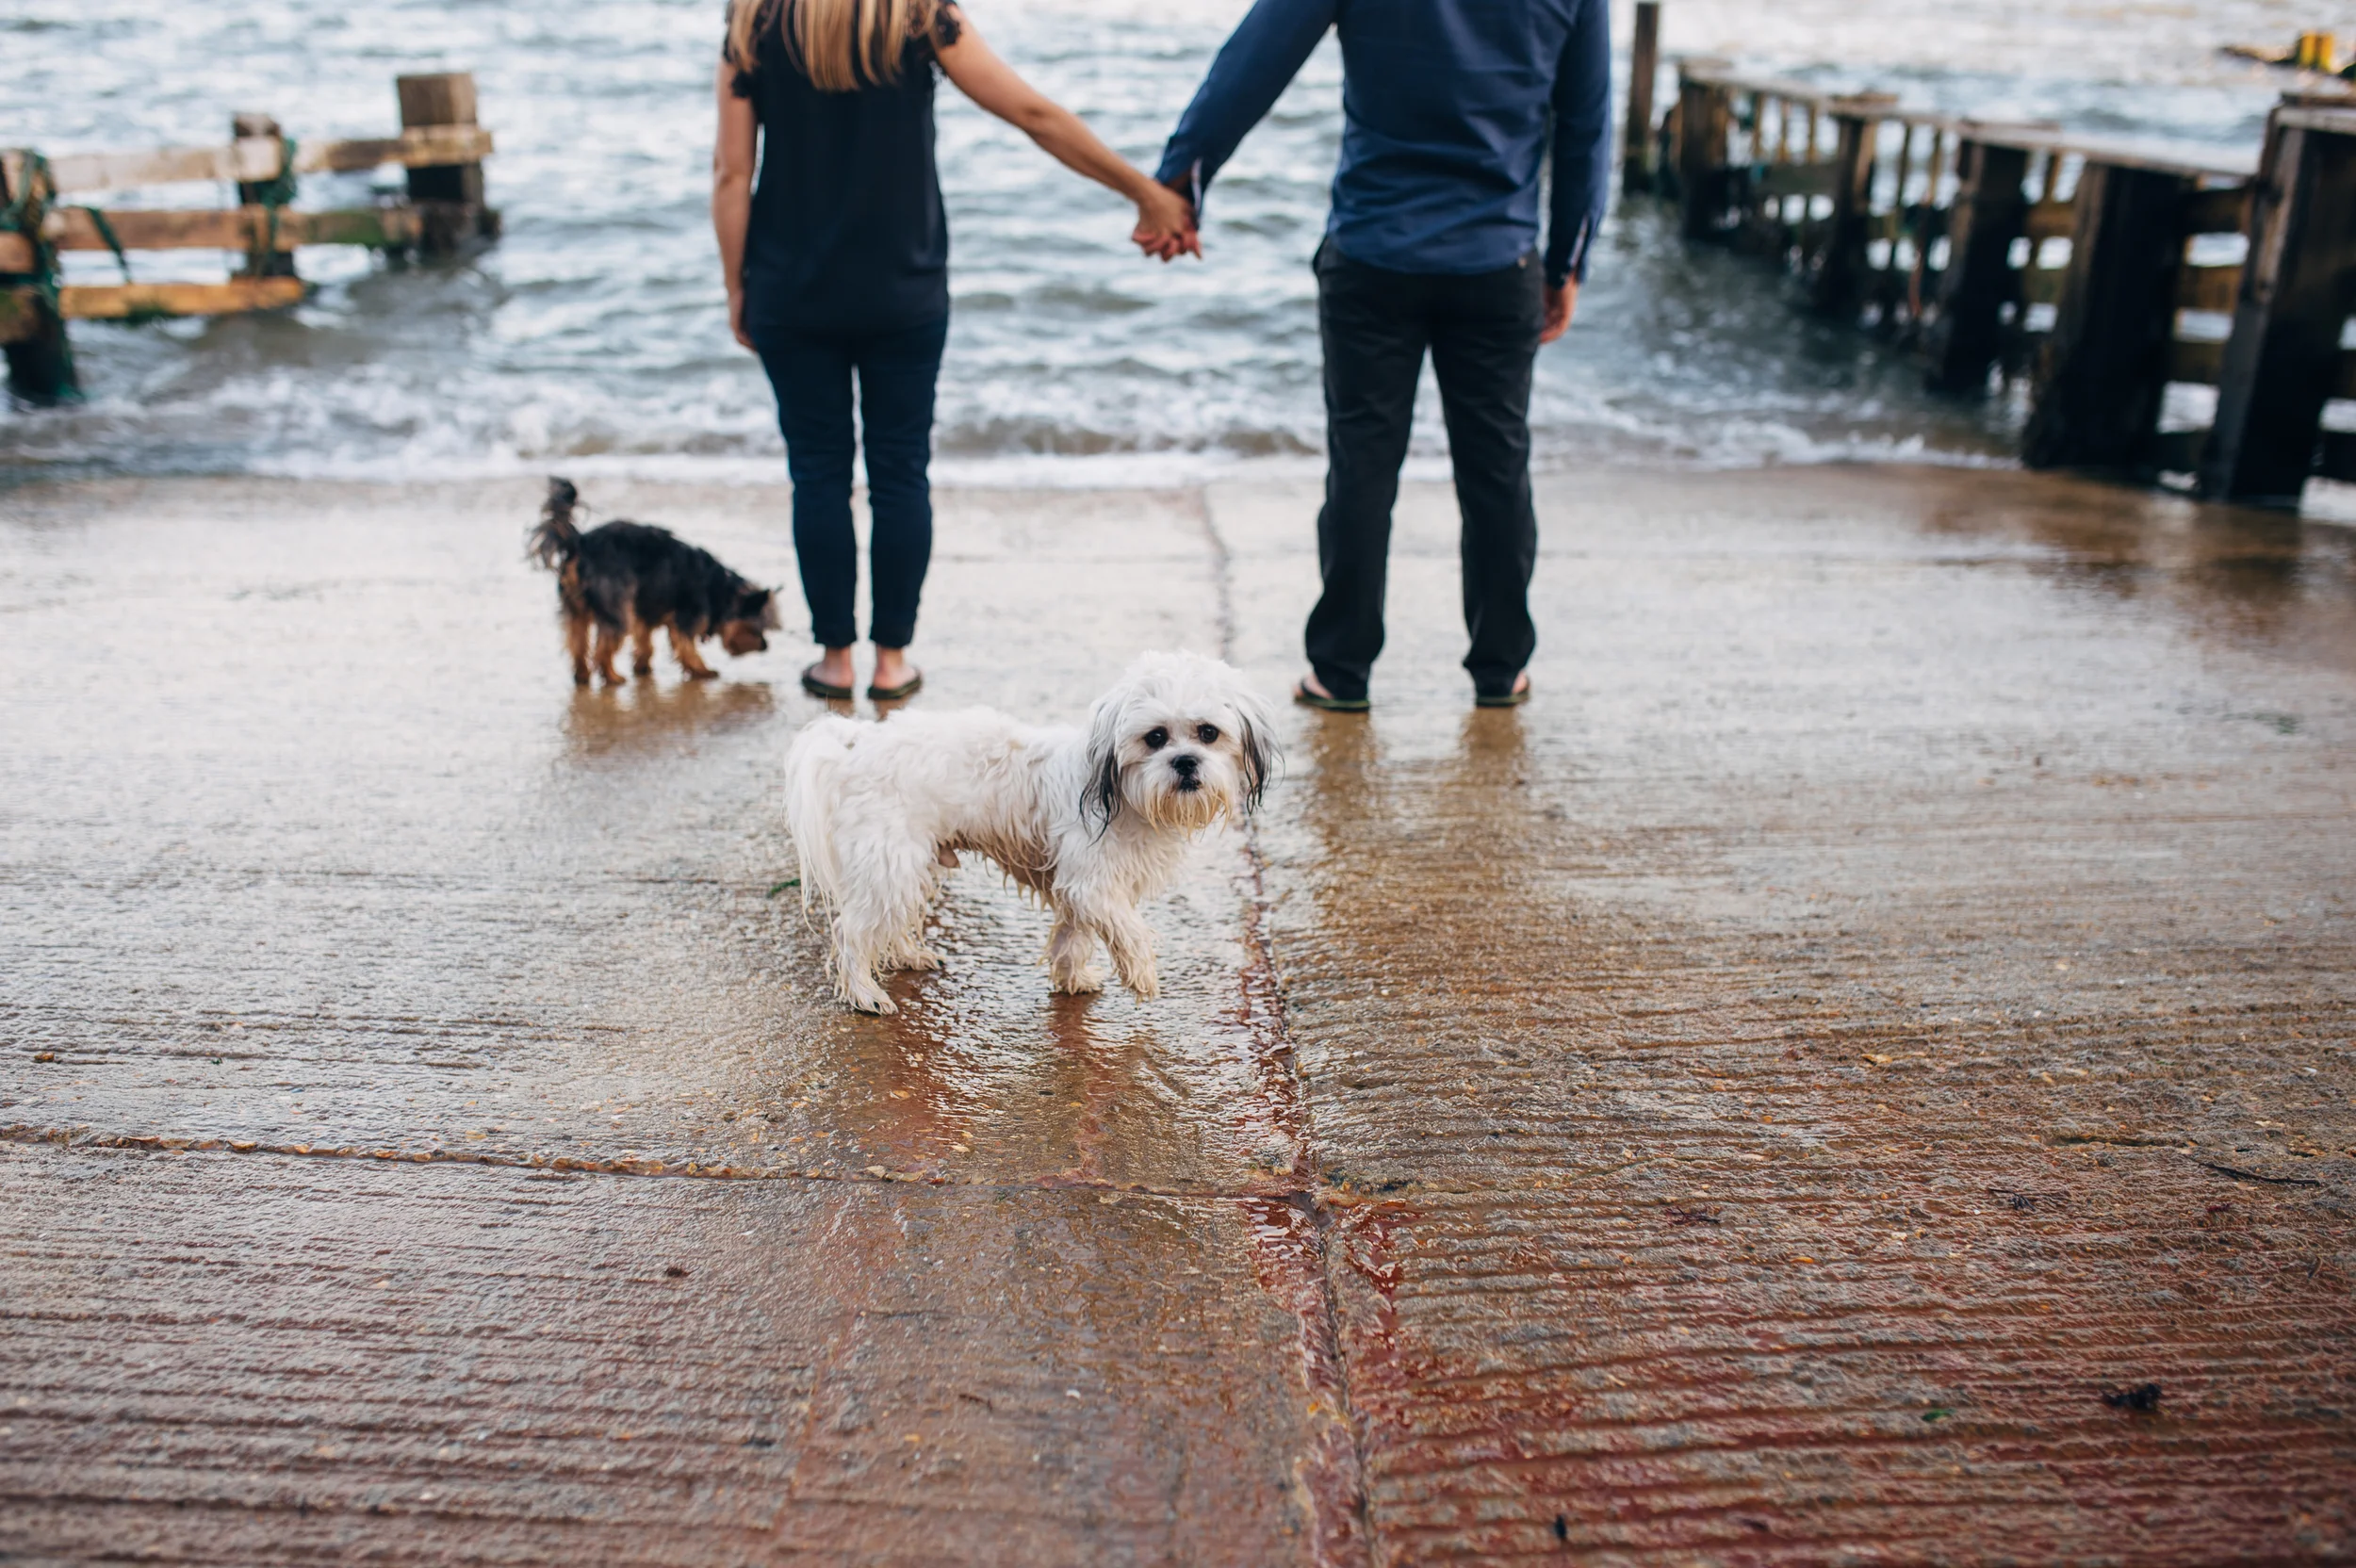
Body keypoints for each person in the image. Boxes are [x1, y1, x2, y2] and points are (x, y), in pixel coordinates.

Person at [716, 0, 1197, 702]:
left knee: (817, 474)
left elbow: (731, 173)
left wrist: (737, 285)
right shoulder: (915, 16)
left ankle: (835, 662)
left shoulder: (753, 20)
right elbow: (1033, 115)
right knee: (900, 474)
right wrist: (1146, 194)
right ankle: (891, 664)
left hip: (792, 292)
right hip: (902, 293)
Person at [1152, 0, 1610, 710]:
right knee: (1496, 467)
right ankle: (1500, 668)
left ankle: (1340, 670)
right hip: (1499, 262)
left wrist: (1183, 176)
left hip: (1372, 254)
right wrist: (1566, 264)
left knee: (1363, 463)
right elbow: (1586, 121)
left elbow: (1255, 60)